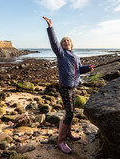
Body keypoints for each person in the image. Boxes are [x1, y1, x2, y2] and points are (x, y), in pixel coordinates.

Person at [43, 16, 94, 154]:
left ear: (72, 44)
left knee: (69, 113)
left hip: (73, 87)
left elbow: (79, 69)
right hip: (65, 87)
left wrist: (88, 68)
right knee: (70, 113)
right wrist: (50, 27)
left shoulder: (76, 57)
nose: (66, 42)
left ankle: (69, 133)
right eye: (64, 41)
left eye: (68, 40)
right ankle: (60, 141)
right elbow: (54, 43)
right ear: (62, 45)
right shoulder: (61, 54)